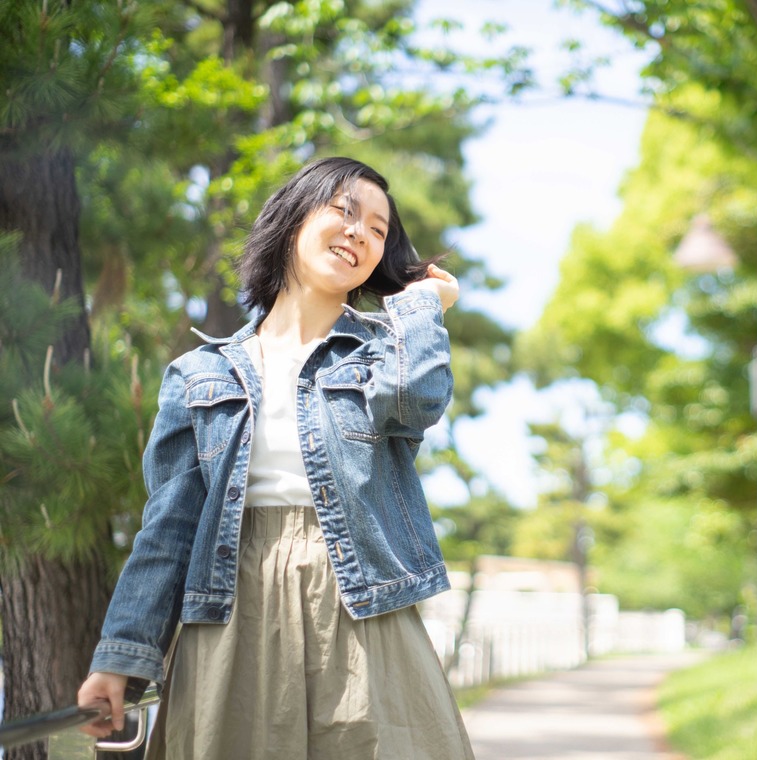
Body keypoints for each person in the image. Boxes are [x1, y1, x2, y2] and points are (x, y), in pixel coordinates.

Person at [77, 156, 475, 759]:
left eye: (377, 230)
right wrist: (121, 656)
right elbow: (168, 529)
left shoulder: (381, 353)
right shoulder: (198, 375)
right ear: (294, 220)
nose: (360, 234)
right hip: (231, 604)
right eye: (345, 212)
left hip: (362, 598)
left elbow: (415, 399)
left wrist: (422, 308)